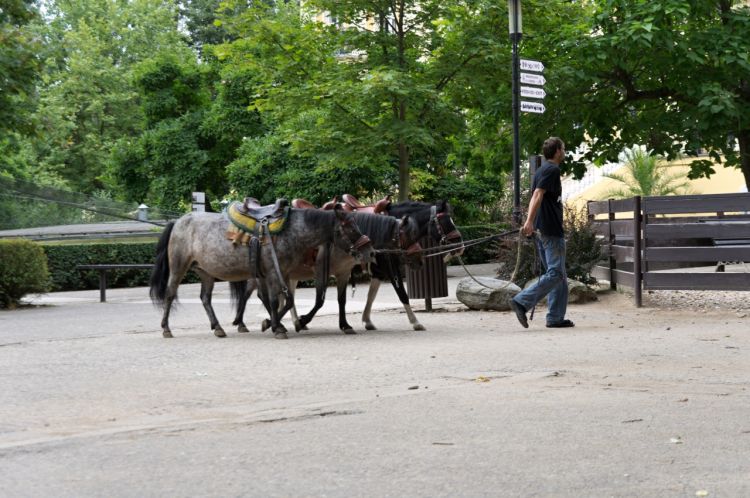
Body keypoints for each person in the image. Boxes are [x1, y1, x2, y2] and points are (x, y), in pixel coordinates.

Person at [509, 137, 574, 329]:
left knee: (558, 275)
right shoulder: (551, 169)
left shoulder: (541, 170)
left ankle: (555, 317)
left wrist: (531, 223)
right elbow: (537, 194)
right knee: (555, 273)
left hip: (544, 228)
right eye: (563, 148)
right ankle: (522, 301)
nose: (564, 151)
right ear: (557, 151)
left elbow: (537, 195)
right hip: (550, 229)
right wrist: (529, 221)